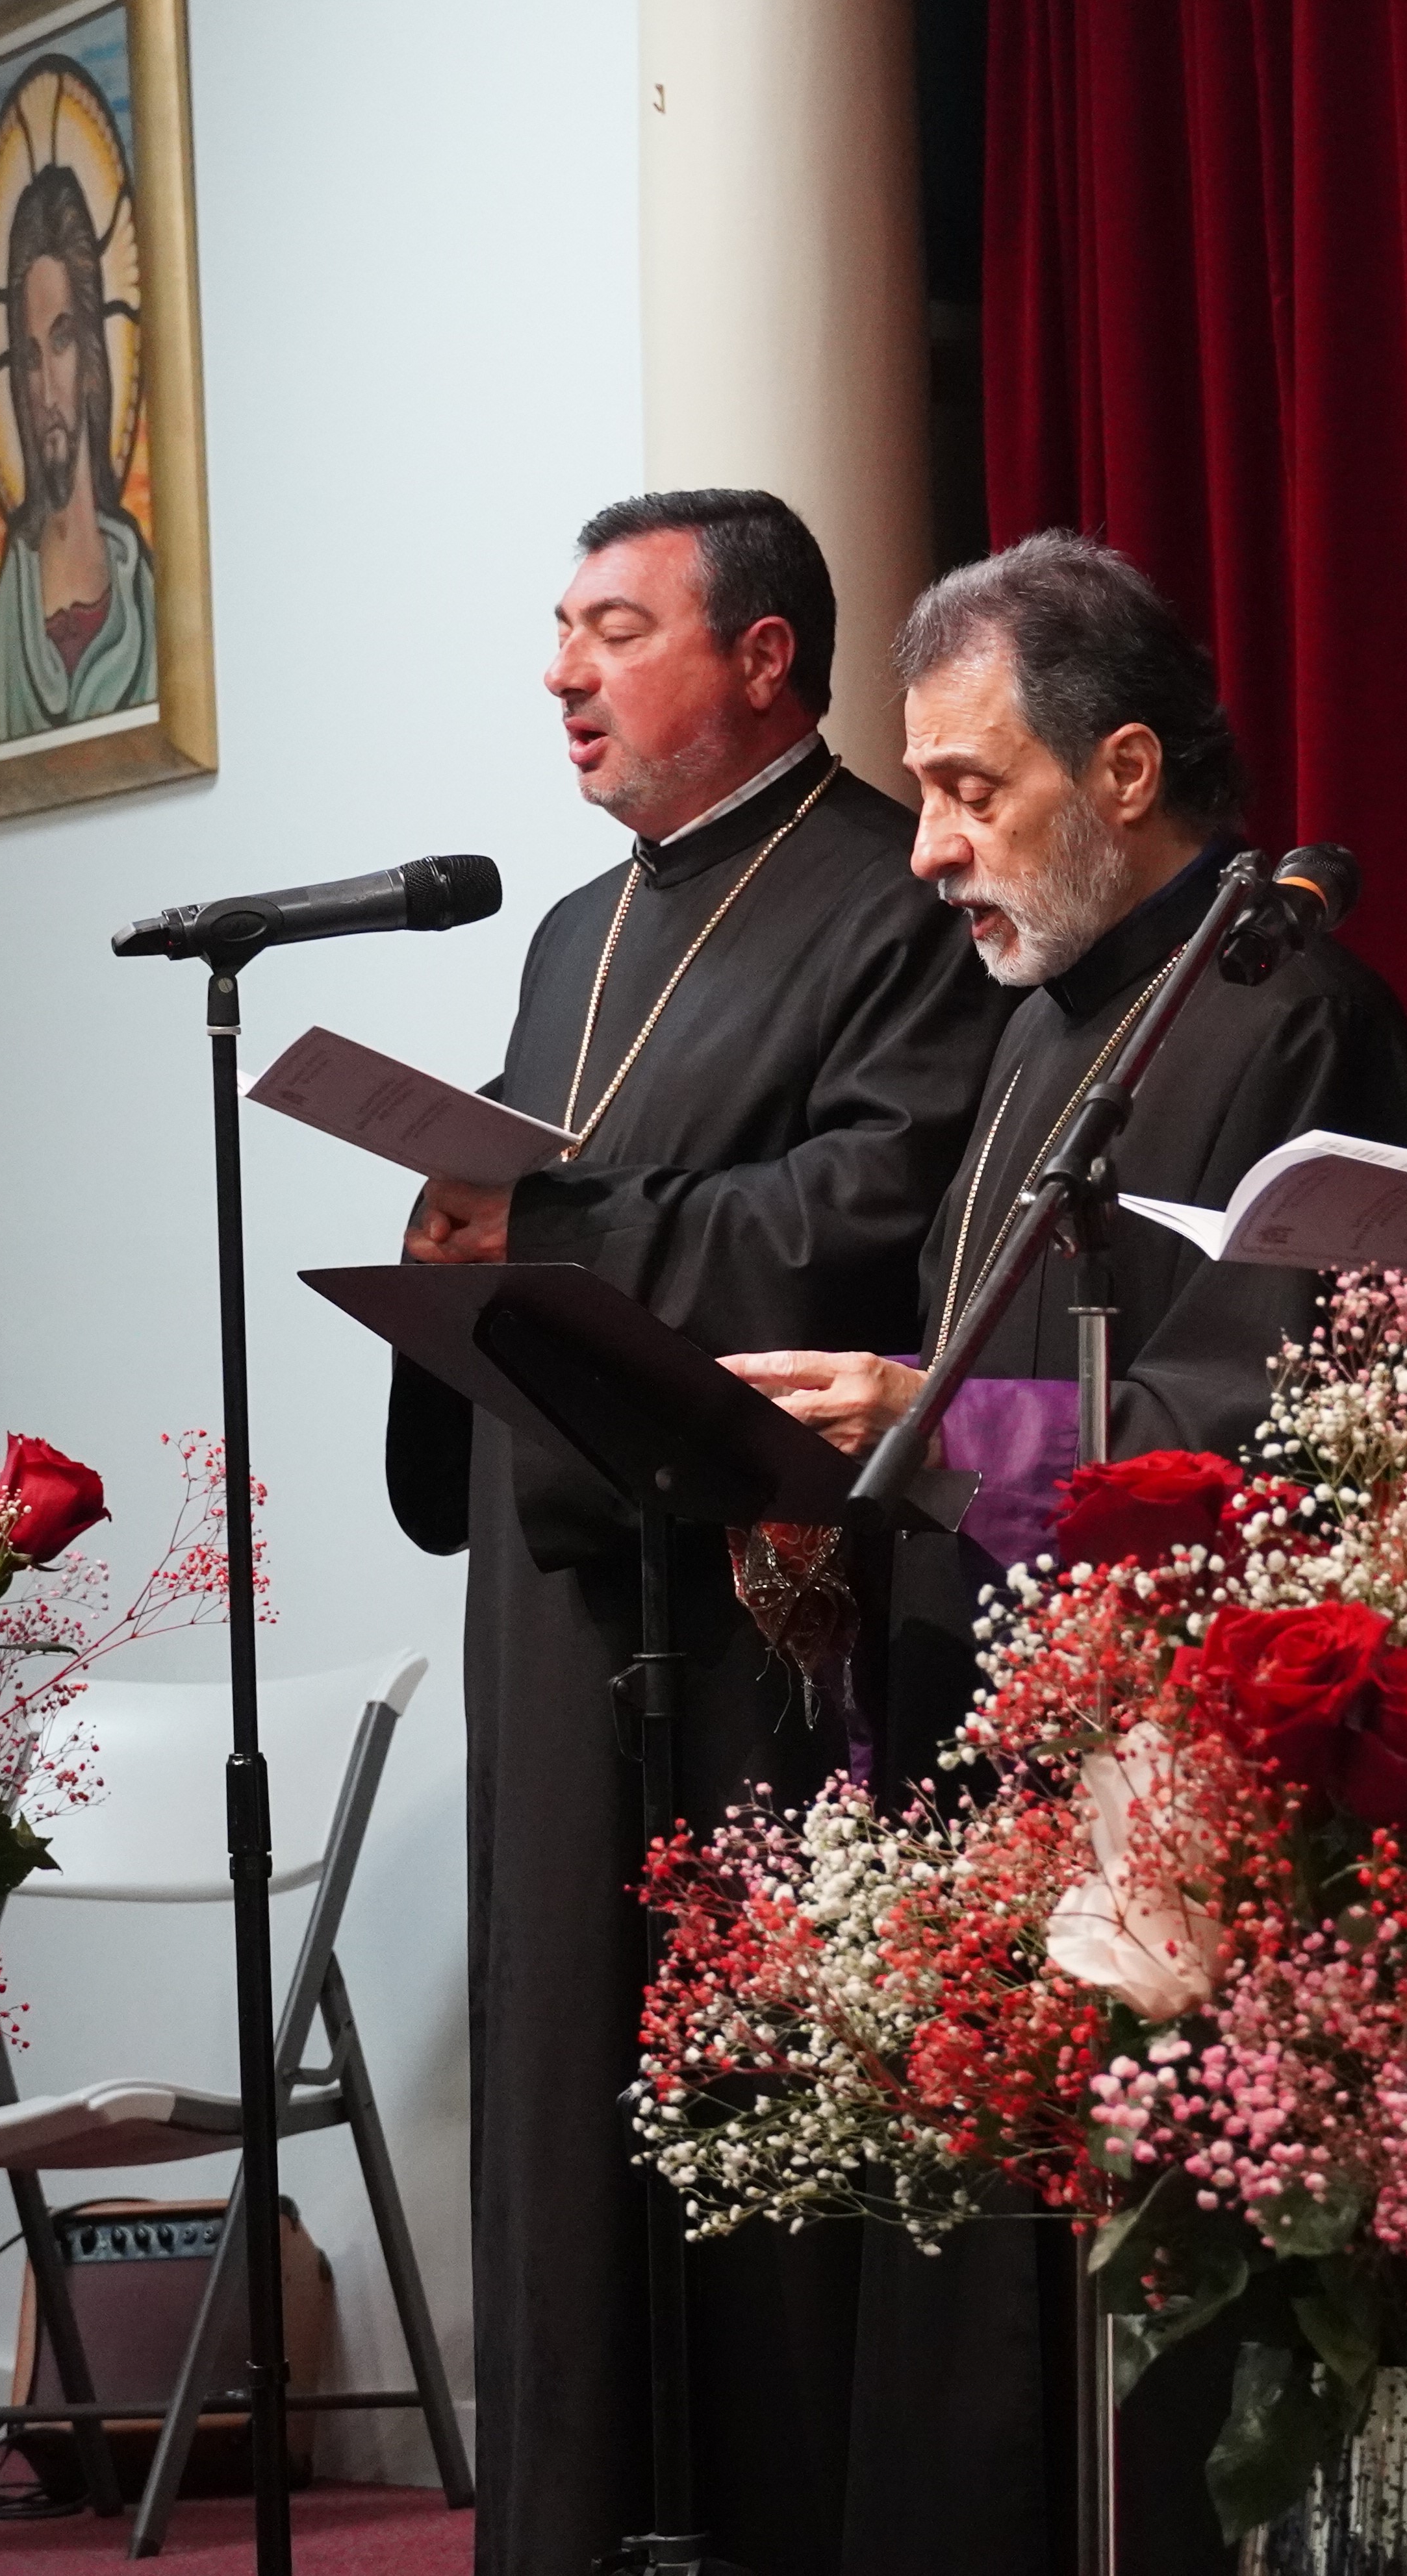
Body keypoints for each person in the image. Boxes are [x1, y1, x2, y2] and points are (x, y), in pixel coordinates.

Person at [726, 531, 1407, 2573]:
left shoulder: (1293, 1018)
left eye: (971, 789)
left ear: (1126, 770)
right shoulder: (1058, 1027)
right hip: (997, 1791)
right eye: (925, 793)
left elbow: (1289, 1419)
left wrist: (941, 1434)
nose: (929, 850)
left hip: (1192, 1836)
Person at [382, 488, 1012, 2576]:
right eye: (561, 629)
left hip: (754, 1615)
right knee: (566, 2089)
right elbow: (540, 1211)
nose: (563, 672)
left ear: (763, 658)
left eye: (617, 630)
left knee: (742, 2108)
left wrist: (553, 1229)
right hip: (557, 1596)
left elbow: (875, 1204)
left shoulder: (888, 897)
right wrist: (458, 1238)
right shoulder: (573, 934)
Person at [0, 162, 157, 740]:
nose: (48, 393)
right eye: (30, 358)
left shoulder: (142, 596)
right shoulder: (7, 624)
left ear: (92, 354)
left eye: (61, 342)